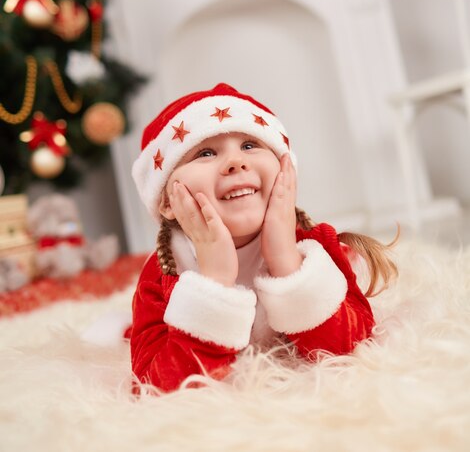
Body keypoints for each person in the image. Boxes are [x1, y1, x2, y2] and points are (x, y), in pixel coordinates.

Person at [130, 83, 398, 393]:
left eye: (249, 146)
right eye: (205, 153)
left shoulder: (310, 246)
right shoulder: (165, 272)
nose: (236, 162)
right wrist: (214, 283)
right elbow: (153, 387)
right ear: (166, 201)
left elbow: (353, 348)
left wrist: (286, 262)